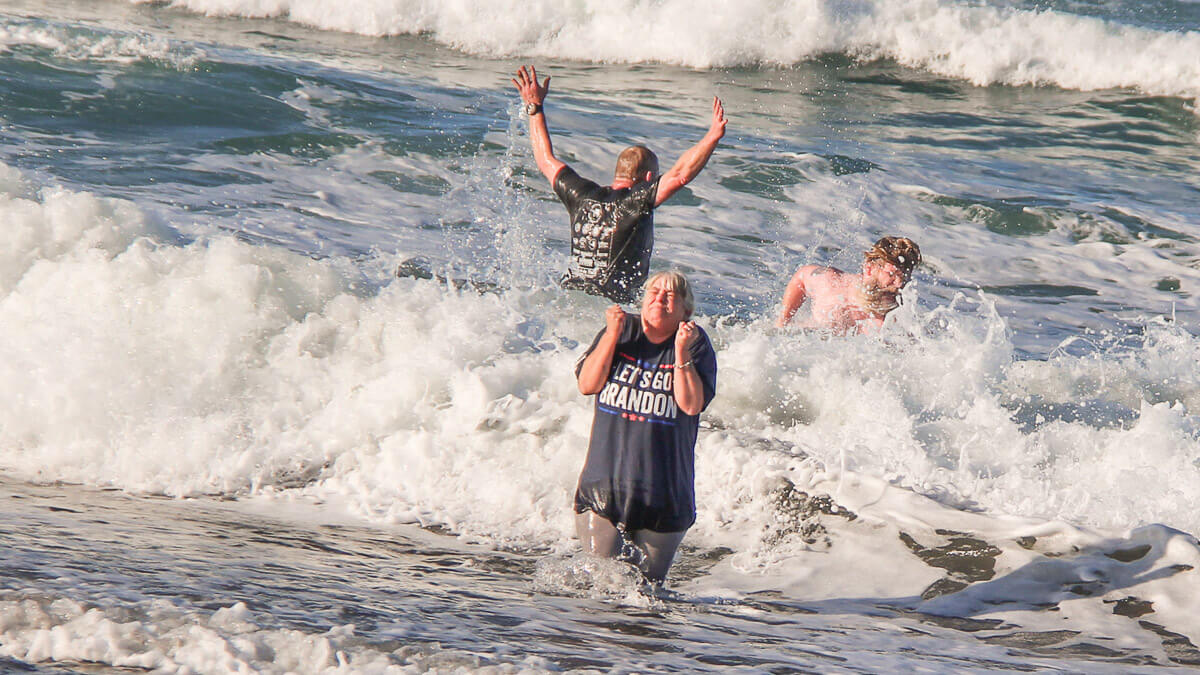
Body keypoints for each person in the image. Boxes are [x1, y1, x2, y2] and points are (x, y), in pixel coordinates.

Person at [511, 65, 727, 303]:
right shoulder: (637, 201)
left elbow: (545, 159)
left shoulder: (580, 195)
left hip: (569, 298)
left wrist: (535, 108)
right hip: (613, 309)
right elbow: (680, 175)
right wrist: (712, 137)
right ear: (647, 179)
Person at [573, 271, 718, 585]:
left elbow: (691, 404)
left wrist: (680, 352)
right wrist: (611, 334)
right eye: (654, 292)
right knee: (598, 583)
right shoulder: (621, 331)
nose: (660, 299)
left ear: (686, 312)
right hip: (605, 486)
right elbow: (588, 384)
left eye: (670, 296)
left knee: (646, 595)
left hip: (664, 494)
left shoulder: (695, 344)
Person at [777, 236, 921, 334]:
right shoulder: (831, 284)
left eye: (905, 276)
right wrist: (782, 321)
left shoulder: (896, 316)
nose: (900, 283)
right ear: (869, 269)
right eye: (891, 275)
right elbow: (802, 276)